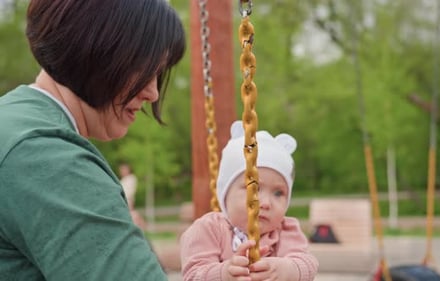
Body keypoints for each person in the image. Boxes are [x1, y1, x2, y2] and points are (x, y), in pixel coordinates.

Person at [0, 0, 185, 280]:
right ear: (97, 52)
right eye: (145, 70)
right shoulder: (44, 154)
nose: (153, 93)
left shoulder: (18, 124)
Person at [180, 121, 319, 281]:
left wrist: (285, 270)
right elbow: (193, 275)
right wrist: (224, 274)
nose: (266, 202)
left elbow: (308, 264)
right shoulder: (209, 229)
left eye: (278, 193)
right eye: (254, 188)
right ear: (226, 192)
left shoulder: (285, 230)